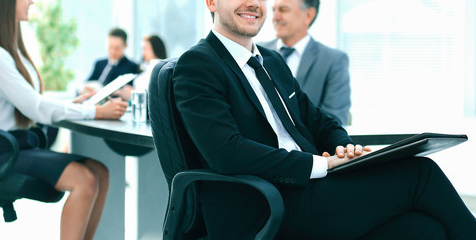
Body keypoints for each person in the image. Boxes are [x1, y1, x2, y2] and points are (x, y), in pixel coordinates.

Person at [172, 0, 476, 239]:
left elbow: (321, 121)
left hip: (309, 195)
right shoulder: (198, 64)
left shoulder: (272, 61)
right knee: (419, 173)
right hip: (264, 204)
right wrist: (321, 165)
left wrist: (344, 148)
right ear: (211, 2)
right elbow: (227, 152)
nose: (254, 4)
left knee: (423, 230)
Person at [0, 0, 129, 239]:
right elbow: (35, 107)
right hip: (2, 151)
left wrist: (74, 105)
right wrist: (96, 111)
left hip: (19, 145)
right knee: (84, 179)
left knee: (100, 173)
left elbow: (32, 99)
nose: (31, 1)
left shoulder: (10, 51)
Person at [259, 0, 351, 125]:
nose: (275, 17)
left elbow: (335, 120)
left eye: (283, 10)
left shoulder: (333, 60)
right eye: (273, 10)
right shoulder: (256, 53)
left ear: (308, 15)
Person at [83, 28, 139, 94]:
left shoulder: (132, 66)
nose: (113, 52)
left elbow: (128, 90)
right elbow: (88, 82)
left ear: (125, 46)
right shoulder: (99, 63)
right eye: (110, 47)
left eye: (117, 48)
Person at [117, 35, 167, 101]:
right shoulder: (149, 66)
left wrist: (133, 93)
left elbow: (150, 92)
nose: (142, 52)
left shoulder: (156, 67)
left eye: (145, 48)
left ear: (156, 48)